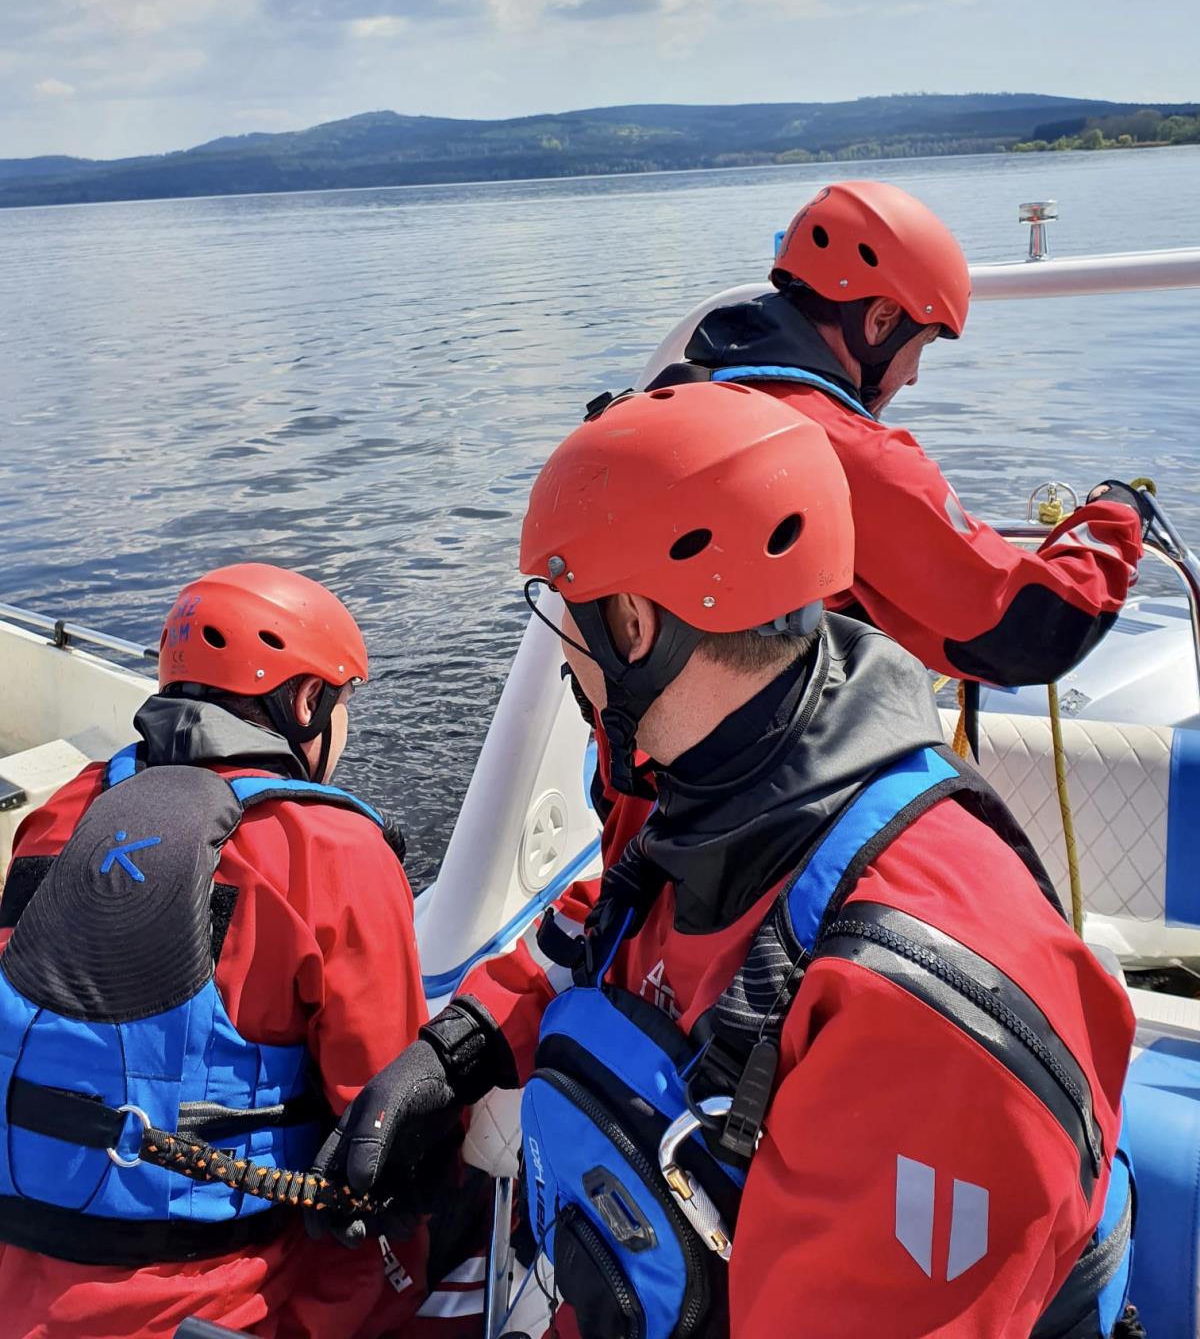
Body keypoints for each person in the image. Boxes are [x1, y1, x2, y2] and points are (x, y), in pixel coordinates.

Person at [318, 384, 1139, 1338]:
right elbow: (614, 913)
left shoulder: (918, 999)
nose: (563, 659)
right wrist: (455, 1051)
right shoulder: (719, 786)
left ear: (632, 624)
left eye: (562, 617)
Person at [0, 564, 479, 1339]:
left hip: (20, 1281)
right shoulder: (332, 848)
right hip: (213, 1304)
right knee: (465, 1212)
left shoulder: (60, 814)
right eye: (342, 701)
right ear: (305, 701)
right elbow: (386, 1106)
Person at [646, 179, 1147, 690]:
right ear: (881, 321)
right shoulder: (848, 453)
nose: (912, 377)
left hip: (642, 760)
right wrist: (1117, 518)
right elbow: (1034, 634)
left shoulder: (672, 398)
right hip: (786, 763)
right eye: (923, 344)